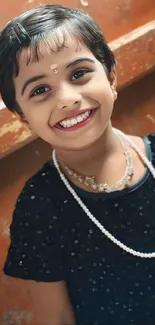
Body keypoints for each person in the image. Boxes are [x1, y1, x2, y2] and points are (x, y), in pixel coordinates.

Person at [1, 4, 155, 325]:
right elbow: (56, 318)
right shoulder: (39, 209)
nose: (67, 99)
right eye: (40, 90)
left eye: (79, 73)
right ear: (24, 118)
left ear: (111, 75)